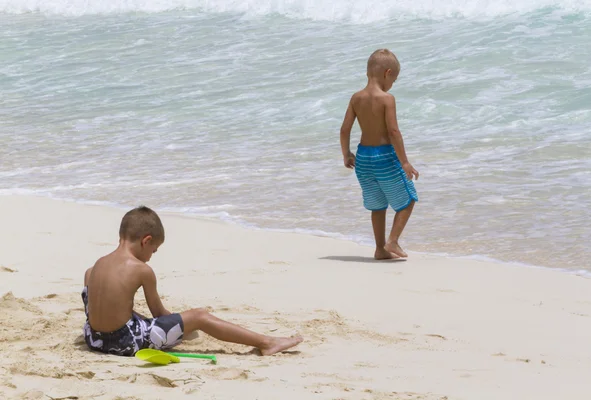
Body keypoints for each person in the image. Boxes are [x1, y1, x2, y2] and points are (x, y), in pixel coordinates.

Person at [82, 206, 303, 356]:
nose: (151, 255)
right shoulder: (142, 269)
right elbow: (159, 314)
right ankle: (267, 343)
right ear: (146, 240)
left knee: (93, 282)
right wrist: (184, 324)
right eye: (154, 250)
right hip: (124, 344)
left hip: (94, 339)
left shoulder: (98, 265)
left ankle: (119, 327)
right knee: (200, 316)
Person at [339, 48, 419, 260]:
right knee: (409, 198)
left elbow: (344, 129)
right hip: (385, 157)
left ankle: (379, 249)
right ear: (387, 73)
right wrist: (405, 162)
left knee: (378, 205)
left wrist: (346, 153)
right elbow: (393, 132)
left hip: (363, 158)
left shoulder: (356, 98)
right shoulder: (387, 99)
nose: (392, 85)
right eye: (394, 80)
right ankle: (392, 240)